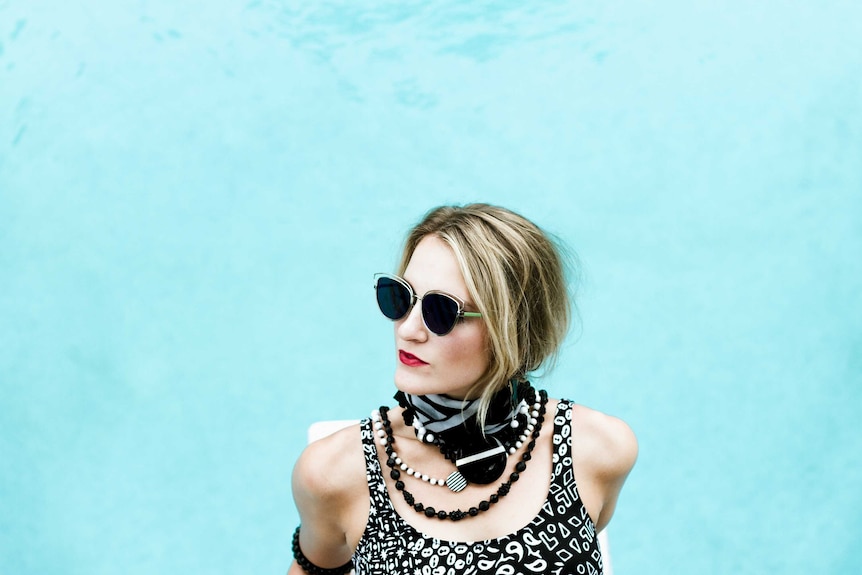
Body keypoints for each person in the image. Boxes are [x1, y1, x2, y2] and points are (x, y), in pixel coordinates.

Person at [288, 204, 637, 574]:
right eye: (400, 297)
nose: (408, 330)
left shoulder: (600, 449)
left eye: (441, 311)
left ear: (513, 329)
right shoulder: (333, 473)